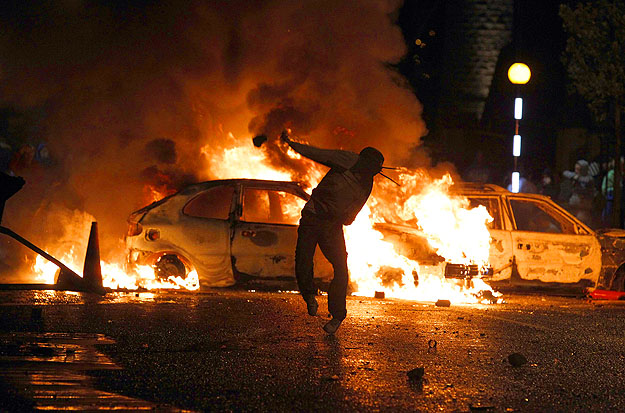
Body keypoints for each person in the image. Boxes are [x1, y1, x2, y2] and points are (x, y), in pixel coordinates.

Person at [281, 132, 385, 334]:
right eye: (372, 166)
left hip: (332, 226)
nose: (373, 171)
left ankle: (337, 316)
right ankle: (310, 296)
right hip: (313, 216)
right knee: (303, 258)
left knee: (340, 267)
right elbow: (318, 154)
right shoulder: (348, 160)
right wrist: (291, 144)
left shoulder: (368, 181)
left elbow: (358, 205)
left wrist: (347, 217)